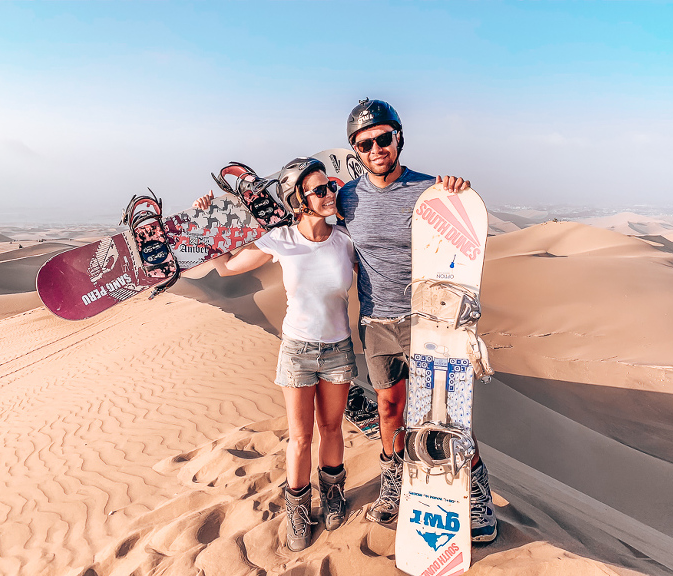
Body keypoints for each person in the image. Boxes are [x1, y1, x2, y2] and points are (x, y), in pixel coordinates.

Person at [337, 98, 498, 542]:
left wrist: (457, 190)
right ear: (356, 150)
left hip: (429, 321)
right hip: (375, 320)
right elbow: (298, 215)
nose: (376, 149)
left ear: (399, 137)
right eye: (365, 143)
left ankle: (477, 495)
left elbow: (462, 230)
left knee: (446, 414)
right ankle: (393, 483)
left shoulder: (431, 192)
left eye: (383, 138)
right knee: (389, 408)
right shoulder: (347, 198)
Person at [194, 158, 357, 552]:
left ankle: (332, 494)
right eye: (319, 190)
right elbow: (228, 267)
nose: (329, 194)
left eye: (330, 186)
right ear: (299, 199)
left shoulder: (345, 240)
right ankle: (298, 510)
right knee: (301, 437)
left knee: (332, 429)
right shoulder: (280, 239)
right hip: (297, 350)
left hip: (338, 348)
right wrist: (207, 225)